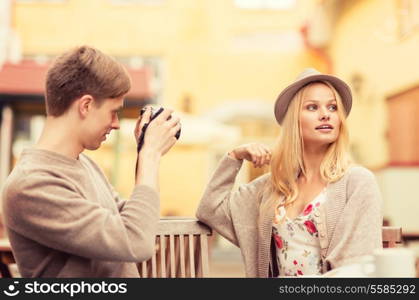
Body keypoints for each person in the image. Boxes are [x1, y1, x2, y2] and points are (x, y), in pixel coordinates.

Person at [1, 46, 181, 277]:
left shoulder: (85, 164)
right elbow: (135, 242)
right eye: (113, 112)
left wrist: (144, 152)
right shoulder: (31, 185)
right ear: (86, 105)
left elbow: (135, 223)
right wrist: (150, 156)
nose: (116, 124)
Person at [196, 68, 383, 277]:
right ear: (293, 120)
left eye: (332, 107)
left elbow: (356, 267)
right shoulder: (272, 186)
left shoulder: (357, 182)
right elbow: (209, 208)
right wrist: (234, 156)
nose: (325, 114)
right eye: (312, 107)